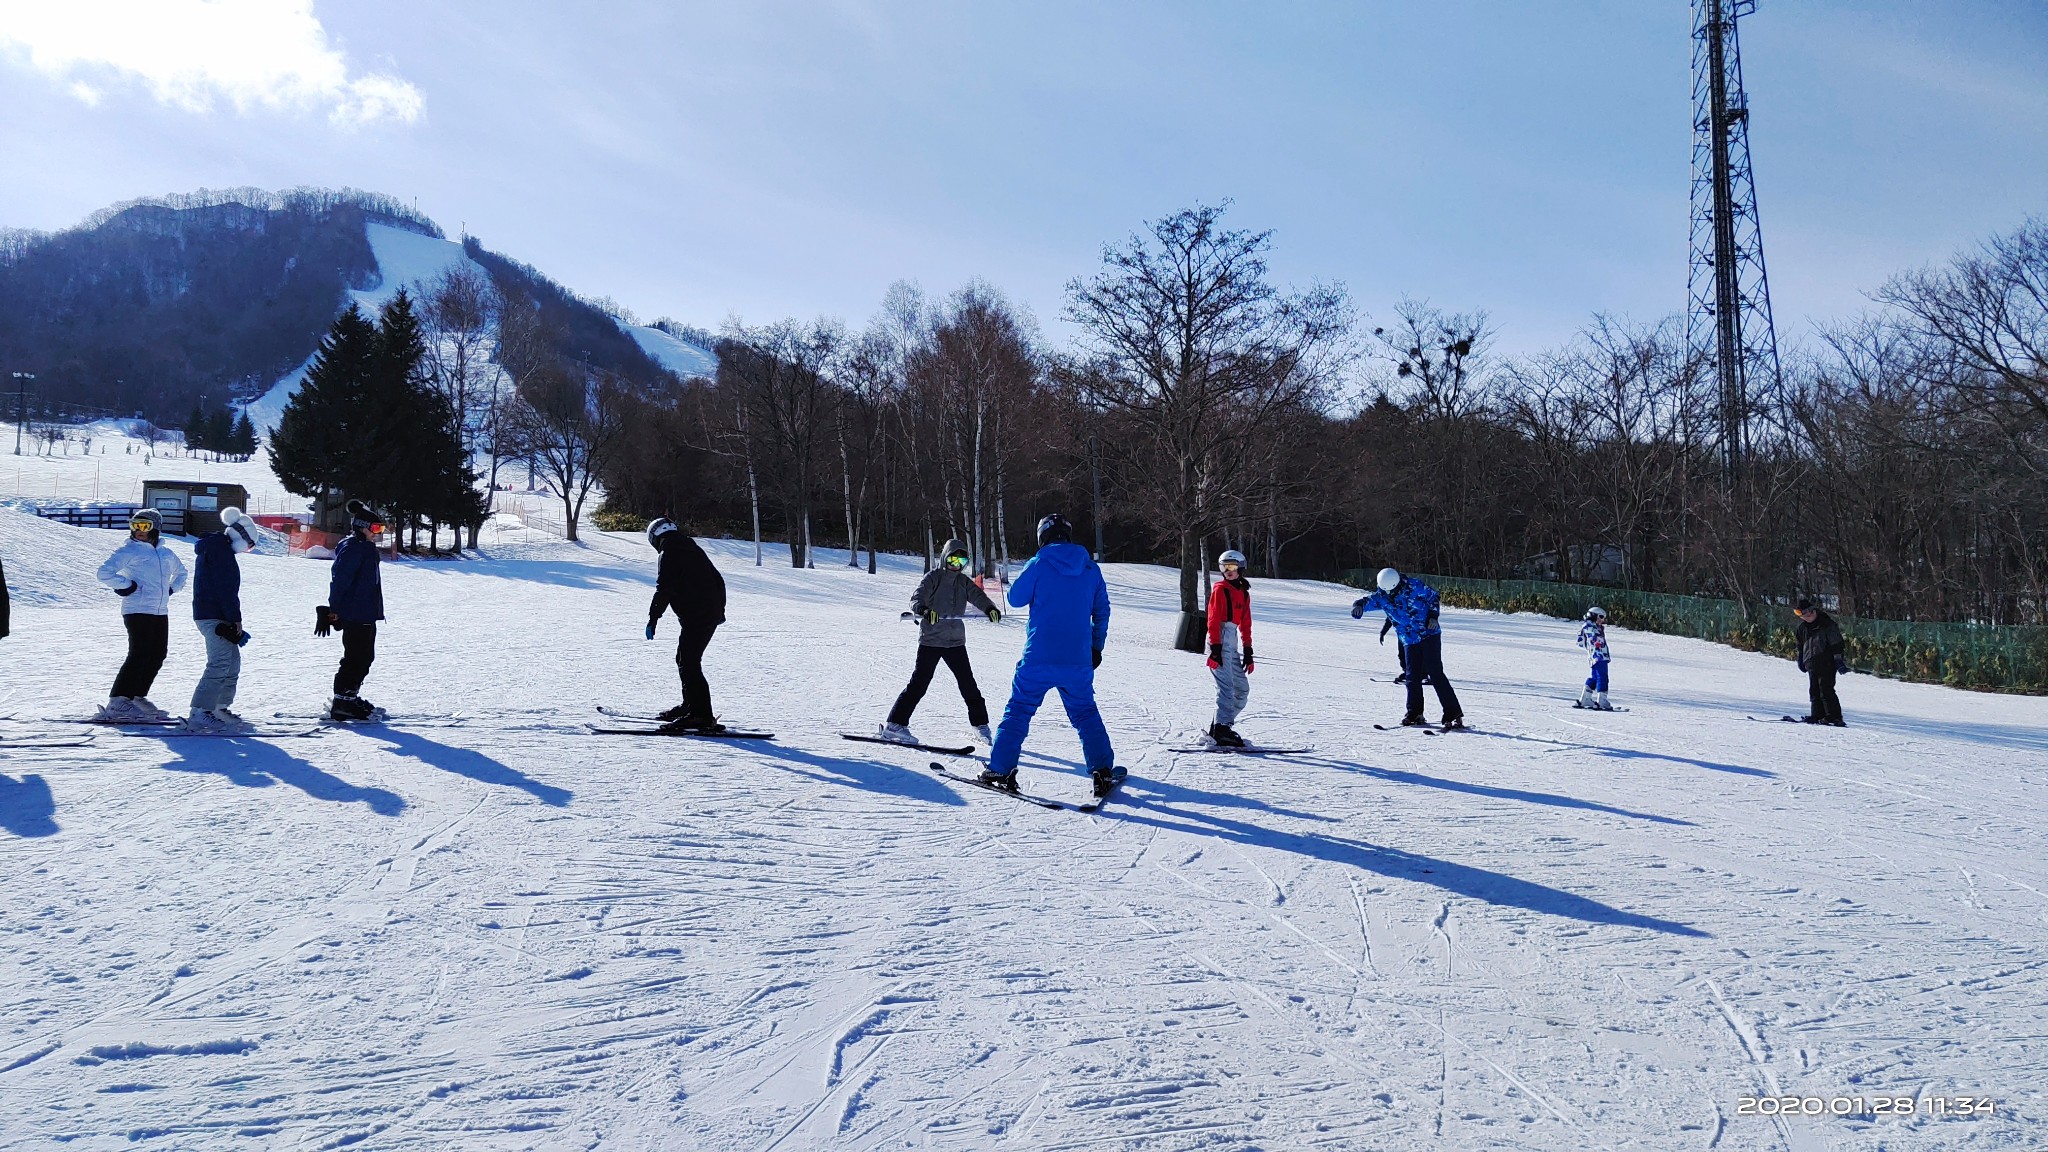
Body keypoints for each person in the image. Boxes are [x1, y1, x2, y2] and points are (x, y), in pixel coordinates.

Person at [982, 514, 1117, 797]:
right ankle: (1102, 770)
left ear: (1042, 537)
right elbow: (1102, 611)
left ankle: (1000, 768)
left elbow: (1016, 598)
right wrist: (1096, 647)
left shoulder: (1040, 563)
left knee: (1018, 710)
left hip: (1039, 657)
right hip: (1077, 659)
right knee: (1084, 712)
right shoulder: (1090, 568)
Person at [880, 538, 999, 746]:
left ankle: (980, 725)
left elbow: (978, 596)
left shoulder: (963, 582)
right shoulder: (933, 577)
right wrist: (925, 611)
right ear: (945, 558)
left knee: (968, 685)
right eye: (953, 560)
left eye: (961, 562)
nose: (956, 565)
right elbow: (916, 599)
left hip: (955, 642)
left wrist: (990, 609)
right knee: (919, 684)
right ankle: (895, 725)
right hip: (931, 640)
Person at [94, 507, 187, 721]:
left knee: (157, 654)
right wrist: (125, 586)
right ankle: (118, 701)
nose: (139, 530)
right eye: (135, 526)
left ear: (155, 528)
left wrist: (172, 588)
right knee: (139, 654)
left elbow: (181, 572)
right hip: (137, 609)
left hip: (160, 610)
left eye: (144, 526)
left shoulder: (165, 553)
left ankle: (136, 697)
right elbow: (104, 573)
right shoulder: (129, 551)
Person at [1351, 566, 1464, 728]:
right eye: (1386, 592)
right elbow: (1367, 601)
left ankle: (1453, 713)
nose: (1390, 595)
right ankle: (1414, 713)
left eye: (1393, 591)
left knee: (1435, 673)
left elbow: (1433, 597)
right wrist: (1358, 606)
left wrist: (1433, 617)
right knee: (1412, 677)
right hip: (1409, 640)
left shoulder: (1414, 586)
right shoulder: (1383, 595)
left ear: (1397, 584)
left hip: (1429, 634)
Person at [645, 518, 727, 732]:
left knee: (689, 662)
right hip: (704, 614)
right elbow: (718, 580)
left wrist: (653, 617)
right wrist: (719, 611)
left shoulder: (669, 553)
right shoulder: (691, 548)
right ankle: (690, 706)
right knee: (684, 659)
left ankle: (700, 715)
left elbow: (664, 589)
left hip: (698, 616)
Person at [185, 508, 260, 732]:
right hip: (213, 615)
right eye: (250, 545)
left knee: (231, 662)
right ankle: (200, 712)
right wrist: (235, 620)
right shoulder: (220, 551)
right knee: (219, 663)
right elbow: (226, 590)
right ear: (241, 538)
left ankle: (219, 708)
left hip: (215, 614)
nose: (248, 550)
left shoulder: (218, 549)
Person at [316, 500, 386, 720]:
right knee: (357, 658)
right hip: (356, 614)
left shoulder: (364, 548)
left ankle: (349, 697)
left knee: (364, 657)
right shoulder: (354, 549)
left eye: (381, 529)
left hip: (364, 612)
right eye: (375, 528)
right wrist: (333, 608)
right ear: (361, 526)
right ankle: (343, 703)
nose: (377, 533)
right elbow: (340, 581)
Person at [1204, 549, 1255, 747]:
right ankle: (1222, 728)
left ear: (1240, 568)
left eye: (1232, 567)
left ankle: (1220, 725)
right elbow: (1213, 618)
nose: (1228, 571)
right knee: (1226, 689)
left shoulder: (1242, 592)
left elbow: (1246, 623)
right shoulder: (1221, 589)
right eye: (1224, 567)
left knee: (1242, 690)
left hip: (1231, 642)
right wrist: (1215, 648)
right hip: (1220, 639)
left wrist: (1248, 650)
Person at [1793, 597, 1847, 726]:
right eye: (1799, 615)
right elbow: (1800, 646)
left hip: (1827, 662)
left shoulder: (1827, 625)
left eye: (1803, 614)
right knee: (1814, 689)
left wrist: (1838, 661)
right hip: (1811, 663)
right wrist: (1801, 659)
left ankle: (1834, 716)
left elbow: (1837, 644)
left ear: (1811, 612)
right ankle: (1816, 714)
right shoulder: (1802, 628)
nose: (1802, 617)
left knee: (1826, 689)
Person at [1576, 606, 1613, 710]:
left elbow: (1580, 641)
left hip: (1596, 657)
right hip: (1599, 656)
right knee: (1603, 677)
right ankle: (1602, 700)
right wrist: (1592, 647)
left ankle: (1585, 698)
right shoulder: (1590, 627)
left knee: (1595, 677)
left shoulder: (1593, 627)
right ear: (1593, 616)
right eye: (1600, 617)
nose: (1602, 620)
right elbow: (1581, 641)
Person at [1380, 616, 1407, 684]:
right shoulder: (1394, 606)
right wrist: (1383, 632)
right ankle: (1407, 672)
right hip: (1402, 634)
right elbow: (1390, 617)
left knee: (1415, 654)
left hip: (1416, 633)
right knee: (1402, 654)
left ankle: (1423, 674)